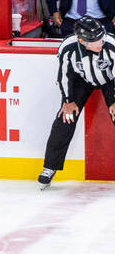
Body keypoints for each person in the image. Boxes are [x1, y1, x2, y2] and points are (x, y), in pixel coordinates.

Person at [37, 17, 115, 188]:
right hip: (81, 82)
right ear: (82, 41)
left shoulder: (112, 45)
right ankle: (49, 167)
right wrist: (68, 101)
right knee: (65, 118)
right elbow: (64, 76)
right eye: (96, 40)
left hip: (110, 81)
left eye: (102, 37)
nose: (101, 42)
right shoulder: (68, 48)